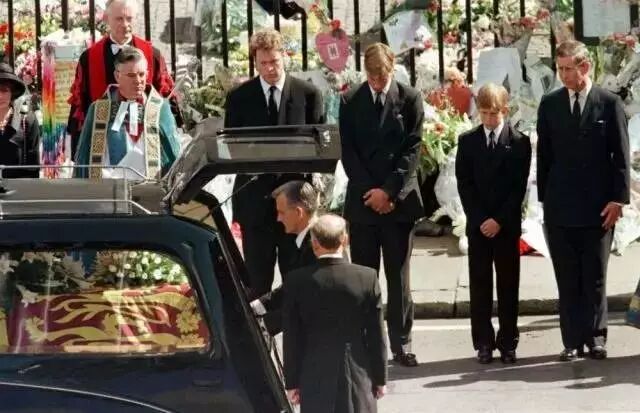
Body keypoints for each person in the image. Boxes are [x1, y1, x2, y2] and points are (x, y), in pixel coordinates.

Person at [537, 40, 630, 361]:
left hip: (599, 207)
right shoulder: (550, 104)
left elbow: (621, 156)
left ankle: (596, 337)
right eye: (559, 69)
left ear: (585, 67)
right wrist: (545, 202)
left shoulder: (608, 103)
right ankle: (572, 340)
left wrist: (618, 200)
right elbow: (544, 157)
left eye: (568, 69)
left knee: (595, 276)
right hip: (560, 207)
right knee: (567, 277)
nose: (563, 75)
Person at [339, 42, 424, 367]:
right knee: (365, 277)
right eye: (371, 76)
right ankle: (367, 341)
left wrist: (388, 192)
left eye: (382, 76)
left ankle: (402, 343)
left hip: (398, 202)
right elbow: (349, 152)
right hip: (364, 203)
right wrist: (371, 194)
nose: (376, 82)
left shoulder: (410, 98)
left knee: (398, 277)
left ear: (391, 69)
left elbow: (412, 149)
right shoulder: (351, 100)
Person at [224, 28, 324, 299]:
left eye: (275, 62)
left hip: (295, 207)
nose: (270, 68)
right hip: (255, 206)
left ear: (285, 57)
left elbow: (320, 146)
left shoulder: (308, 95)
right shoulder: (239, 98)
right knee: (257, 285)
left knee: (298, 282)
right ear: (255, 62)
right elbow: (231, 147)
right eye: (263, 63)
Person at [455, 83, 531, 364]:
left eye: (493, 113)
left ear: (505, 111)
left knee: (508, 285)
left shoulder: (519, 142)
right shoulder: (468, 141)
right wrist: (480, 219)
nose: (488, 119)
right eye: (484, 113)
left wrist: (499, 220)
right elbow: (465, 185)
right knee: (480, 285)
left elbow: (518, 188)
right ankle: (483, 342)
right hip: (479, 225)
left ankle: (508, 341)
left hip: (505, 225)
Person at [283, 214, 386, 413]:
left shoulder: (296, 281)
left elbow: (292, 336)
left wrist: (292, 382)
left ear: (314, 244)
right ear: (345, 240)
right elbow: (377, 334)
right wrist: (380, 379)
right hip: (358, 372)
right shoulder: (367, 277)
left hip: (314, 374)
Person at [67, 0, 178, 158]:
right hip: (103, 145)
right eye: (119, 18)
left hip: (146, 144)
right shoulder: (89, 58)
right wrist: (78, 151)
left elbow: (163, 99)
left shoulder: (152, 55)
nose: (125, 24)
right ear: (107, 19)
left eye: (129, 18)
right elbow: (81, 105)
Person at [74, 46, 180, 179]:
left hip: (150, 187)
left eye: (141, 74)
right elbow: (83, 156)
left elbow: (174, 155)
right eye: (131, 75)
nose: (138, 81)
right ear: (117, 76)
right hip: (109, 187)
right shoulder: (98, 109)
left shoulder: (160, 108)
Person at [250, 180, 318, 335]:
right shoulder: (305, 241)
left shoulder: (317, 247)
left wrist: (265, 325)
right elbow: (293, 285)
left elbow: (309, 300)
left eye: (282, 212)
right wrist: (257, 306)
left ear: (299, 212)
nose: (278, 219)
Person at [0, 63, 40, 178]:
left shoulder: (27, 120)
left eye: (4, 90)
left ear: (12, 93)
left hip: (18, 187)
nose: (0, 96)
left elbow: (33, 167)